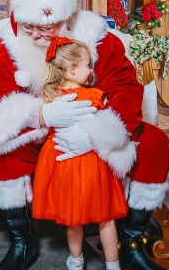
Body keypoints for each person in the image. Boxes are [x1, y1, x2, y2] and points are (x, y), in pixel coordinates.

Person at [0, 0, 169, 270]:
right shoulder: (8, 46)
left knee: (155, 143)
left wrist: (95, 136)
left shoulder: (97, 38)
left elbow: (126, 87)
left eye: (49, 27)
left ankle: (129, 242)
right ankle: (22, 243)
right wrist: (41, 116)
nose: (40, 35)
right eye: (31, 27)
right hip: (40, 139)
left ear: (66, 18)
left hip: (90, 130)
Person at [32, 37, 136, 270]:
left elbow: (38, 125)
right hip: (91, 163)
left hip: (61, 161)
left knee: (73, 219)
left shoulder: (49, 96)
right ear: (72, 69)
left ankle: (76, 262)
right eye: (88, 65)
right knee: (106, 218)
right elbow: (107, 124)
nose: (91, 70)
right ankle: (113, 265)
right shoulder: (94, 96)